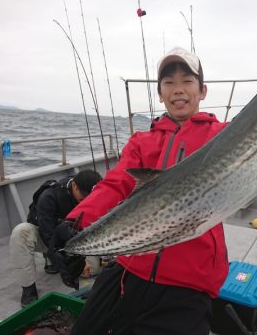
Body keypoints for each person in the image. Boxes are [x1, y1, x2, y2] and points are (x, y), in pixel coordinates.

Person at [66, 47, 229, 335]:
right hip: (131, 265)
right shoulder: (142, 141)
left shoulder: (222, 136)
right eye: (168, 83)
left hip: (190, 278)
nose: (178, 90)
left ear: (203, 91)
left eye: (187, 81)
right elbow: (116, 183)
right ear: (159, 93)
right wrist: (76, 220)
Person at [10, 169, 102, 307]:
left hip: (79, 240)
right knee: (21, 232)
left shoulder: (92, 196)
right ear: (75, 186)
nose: (87, 199)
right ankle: (28, 289)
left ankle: (65, 262)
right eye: (83, 196)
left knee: (92, 269)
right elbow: (49, 237)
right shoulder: (49, 197)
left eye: (91, 196)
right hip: (50, 237)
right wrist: (66, 261)